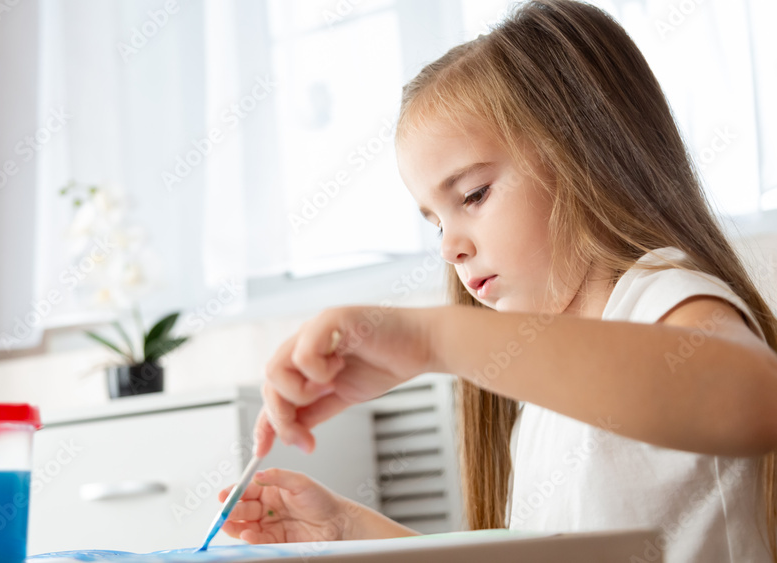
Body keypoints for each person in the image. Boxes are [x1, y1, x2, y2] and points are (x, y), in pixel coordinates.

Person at [215, 1, 777, 561]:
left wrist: (431, 340)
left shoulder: (658, 295)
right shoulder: (543, 400)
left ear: (584, 151)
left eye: (473, 196)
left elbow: (754, 399)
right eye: (435, 221)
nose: (448, 247)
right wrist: (348, 532)